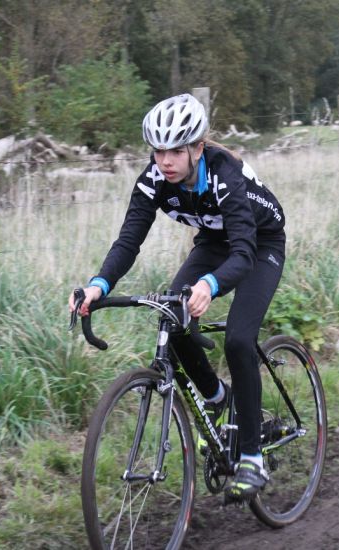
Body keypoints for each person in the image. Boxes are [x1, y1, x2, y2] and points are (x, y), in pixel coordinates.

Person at [68, 93, 286, 501]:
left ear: (197, 148)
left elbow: (243, 253)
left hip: (259, 245)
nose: (165, 161)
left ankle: (252, 459)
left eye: (175, 151)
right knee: (174, 314)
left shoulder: (225, 174)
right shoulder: (154, 179)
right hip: (214, 243)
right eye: (158, 151)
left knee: (239, 339)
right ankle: (218, 398)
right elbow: (128, 241)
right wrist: (98, 285)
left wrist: (210, 285)